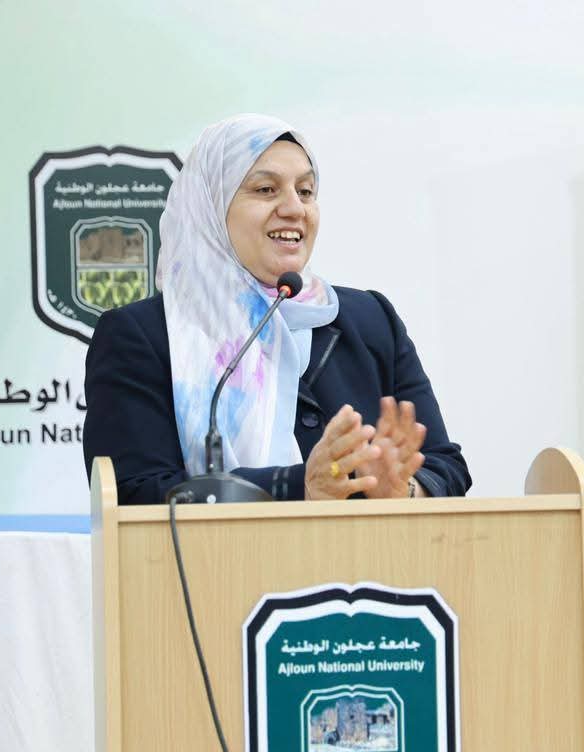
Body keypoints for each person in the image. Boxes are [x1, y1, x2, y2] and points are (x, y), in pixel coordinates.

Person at [83, 114, 470, 503]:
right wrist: (296, 486)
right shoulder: (144, 335)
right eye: (266, 189)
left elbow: (446, 467)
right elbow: (132, 493)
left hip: (372, 547)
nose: (294, 208)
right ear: (210, 207)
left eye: (305, 191)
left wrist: (403, 489)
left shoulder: (370, 320)